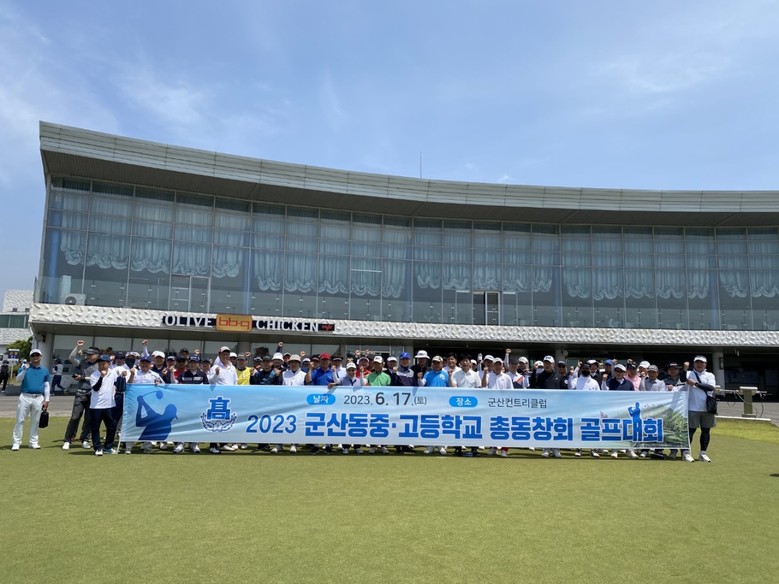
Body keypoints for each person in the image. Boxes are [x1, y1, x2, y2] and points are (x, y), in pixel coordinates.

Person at [63, 341, 99, 450]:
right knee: (75, 417)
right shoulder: (82, 362)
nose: (88, 356)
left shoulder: (100, 365)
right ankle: (68, 440)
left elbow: (96, 378)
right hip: (81, 392)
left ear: (97, 355)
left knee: (89, 419)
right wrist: (77, 347)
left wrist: (83, 378)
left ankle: (85, 439)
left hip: (93, 394)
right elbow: (71, 358)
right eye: (87, 354)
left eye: (91, 354)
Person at [11, 349, 50, 451]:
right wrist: (24, 369)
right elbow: (18, 380)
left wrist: (47, 400)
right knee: (20, 420)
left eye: (37, 355)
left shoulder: (44, 370)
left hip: (38, 398)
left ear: (40, 357)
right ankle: (16, 443)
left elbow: (46, 386)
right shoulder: (24, 368)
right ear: (30, 357)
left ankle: (33, 442)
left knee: (36, 421)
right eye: (33, 355)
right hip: (25, 396)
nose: (35, 357)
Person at [125, 355, 164, 454]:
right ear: (139, 363)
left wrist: (159, 384)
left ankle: (147, 446)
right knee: (131, 424)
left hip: (150, 404)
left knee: (149, 425)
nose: (145, 364)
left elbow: (163, 387)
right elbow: (128, 385)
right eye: (143, 362)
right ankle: (128, 447)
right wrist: (132, 375)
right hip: (134, 403)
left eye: (147, 363)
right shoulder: (134, 373)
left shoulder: (155, 375)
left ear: (151, 364)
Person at [682, 356, 716, 463]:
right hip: (692, 408)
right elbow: (682, 379)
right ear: (694, 363)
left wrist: (695, 384)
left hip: (707, 408)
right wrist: (684, 369)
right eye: (697, 362)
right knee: (690, 431)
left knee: (706, 431)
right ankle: (686, 453)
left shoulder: (709, 375)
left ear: (705, 364)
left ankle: (703, 453)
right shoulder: (689, 373)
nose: (699, 364)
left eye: (701, 362)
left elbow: (710, 387)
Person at [89, 354, 124, 456]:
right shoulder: (94, 375)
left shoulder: (113, 373)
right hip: (96, 406)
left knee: (112, 426)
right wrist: (101, 377)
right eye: (100, 363)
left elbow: (118, 384)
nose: (102, 365)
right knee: (95, 428)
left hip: (109, 405)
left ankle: (108, 447)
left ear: (109, 364)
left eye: (104, 363)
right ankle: (98, 448)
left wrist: (123, 376)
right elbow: (96, 388)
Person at [173, 356, 207, 454]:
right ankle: (180, 443)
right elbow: (174, 384)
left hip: (198, 404)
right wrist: (171, 373)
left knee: (196, 423)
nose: (192, 364)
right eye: (191, 362)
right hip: (184, 404)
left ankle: (194, 443)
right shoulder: (183, 374)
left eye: (195, 362)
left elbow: (207, 388)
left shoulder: (202, 374)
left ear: (198, 364)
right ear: (188, 363)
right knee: (183, 423)